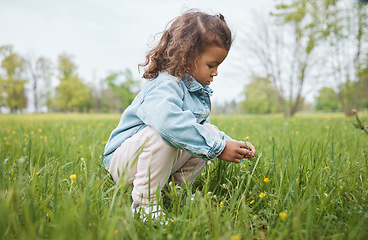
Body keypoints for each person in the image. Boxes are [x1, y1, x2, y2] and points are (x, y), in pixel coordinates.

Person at [103, 10, 256, 219]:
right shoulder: (164, 85)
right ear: (188, 57)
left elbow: (200, 132)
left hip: (148, 161)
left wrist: (228, 143)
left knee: (204, 131)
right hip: (124, 165)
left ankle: (173, 194)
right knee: (168, 132)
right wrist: (217, 148)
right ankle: (145, 205)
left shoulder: (193, 90)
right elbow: (168, 123)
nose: (216, 72)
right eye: (212, 65)